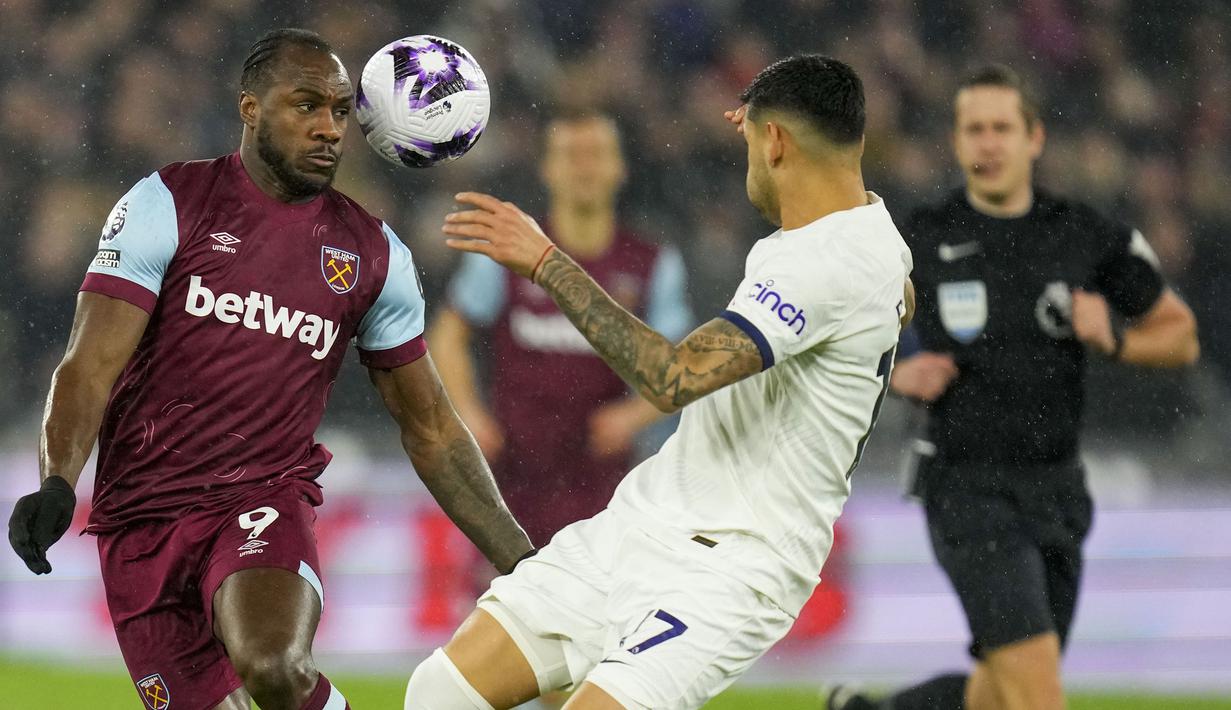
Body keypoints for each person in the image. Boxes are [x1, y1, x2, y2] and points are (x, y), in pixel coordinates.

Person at [6, 28, 532, 710]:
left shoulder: (372, 255)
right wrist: (56, 480)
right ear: (251, 108)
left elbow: (429, 427)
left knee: (274, 664)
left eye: (341, 111)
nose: (328, 128)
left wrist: (524, 563)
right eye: (305, 105)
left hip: (261, 499)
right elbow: (88, 366)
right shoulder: (167, 203)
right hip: (139, 522)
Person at [404, 54, 915, 710]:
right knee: (438, 692)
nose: (747, 165)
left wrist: (545, 261)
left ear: (777, 142)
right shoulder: (863, 239)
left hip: (734, 565)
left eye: (754, 144)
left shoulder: (827, 262)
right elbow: (889, 283)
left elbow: (673, 378)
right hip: (642, 522)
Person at [827, 65, 1199, 710]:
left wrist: (1115, 338)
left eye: (1002, 128)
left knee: (1002, 693)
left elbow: (1182, 335)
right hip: (967, 490)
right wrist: (892, 374)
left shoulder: (1085, 234)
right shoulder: (918, 237)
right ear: (957, 141)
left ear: (1034, 139)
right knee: (1037, 696)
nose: (988, 143)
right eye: (975, 129)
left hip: (1057, 491)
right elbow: (835, 337)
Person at [429, 110, 694, 549]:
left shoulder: (650, 263)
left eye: (596, 154)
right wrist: (468, 415)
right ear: (548, 169)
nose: (584, 167)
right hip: (513, 473)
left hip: (605, 479)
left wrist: (633, 416)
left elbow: (683, 364)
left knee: (597, 608)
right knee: (503, 604)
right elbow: (448, 333)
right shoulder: (507, 249)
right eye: (571, 155)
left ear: (619, 167)